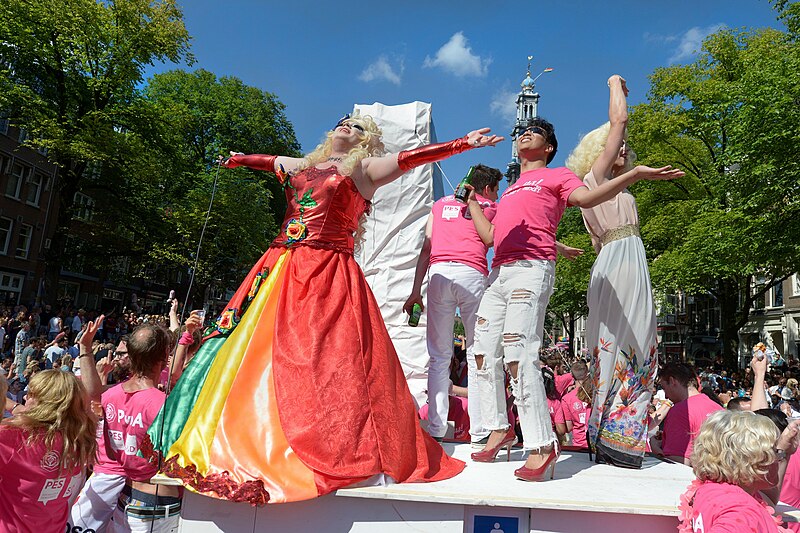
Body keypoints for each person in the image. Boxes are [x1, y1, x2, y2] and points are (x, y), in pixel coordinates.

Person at [145, 113, 502, 504]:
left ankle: (331, 444)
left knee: (327, 356)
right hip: (280, 266)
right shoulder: (306, 166)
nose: (347, 125)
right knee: (255, 351)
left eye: (358, 126)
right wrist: (239, 159)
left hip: (330, 273)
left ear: (366, 141)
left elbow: (410, 159)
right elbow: (268, 161)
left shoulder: (364, 169)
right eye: (344, 121)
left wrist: (463, 143)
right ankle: (246, 434)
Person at [465, 115, 682, 482]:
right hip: (499, 272)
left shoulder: (557, 176)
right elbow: (490, 236)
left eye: (534, 132)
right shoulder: (511, 189)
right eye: (522, 132)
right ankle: (499, 426)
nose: (524, 135)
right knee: (482, 352)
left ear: (548, 148)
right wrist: (472, 203)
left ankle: (540, 443)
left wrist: (634, 174)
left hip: (530, 270)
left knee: (519, 354)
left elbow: (585, 196)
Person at [565, 74, 660, 469]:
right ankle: (611, 433)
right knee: (624, 344)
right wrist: (614, 85)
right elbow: (618, 122)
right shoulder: (594, 181)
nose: (622, 146)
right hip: (619, 261)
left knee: (633, 344)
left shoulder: (617, 190)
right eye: (614, 144)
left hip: (625, 262)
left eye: (623, 146)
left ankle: (617, 434)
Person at [403, 163, 502, 445]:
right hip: (471, 273)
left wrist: (415, 291)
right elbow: (493, 238)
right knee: (477, 353)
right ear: (487, 189)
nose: (496, 196)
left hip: (438, 274)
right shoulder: (489, 207)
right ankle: (480, 431)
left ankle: (435, 427)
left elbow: (427, 246)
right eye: (496, 190)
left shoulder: (439, 205)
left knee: (439, 356)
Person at [69, 316, 194, 532]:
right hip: (155, 506)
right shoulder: (163, 405)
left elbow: (94, 394)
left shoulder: (112, 396)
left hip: (126, 499)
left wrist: (85, 349)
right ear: (164, 357)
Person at [0, 370, 97, 533]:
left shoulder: (13, 437)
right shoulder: (80, 438)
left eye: (30, 394)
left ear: (44, 403)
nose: (25, 398)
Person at [677, 409, 798, 532]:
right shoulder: (742, 513)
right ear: (752, 461)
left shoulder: (711, 490)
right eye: (773, 451)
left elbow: (768, 500)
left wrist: (785, 451)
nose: (778, 457)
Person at [657, 362, 723, 465]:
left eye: (664, 388)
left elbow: (677, 462)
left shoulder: (679, 411)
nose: (665, 396)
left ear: (672, 381)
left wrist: (655, 449)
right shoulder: (718, 407)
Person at [561, 361, 593, 448]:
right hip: (595, 442)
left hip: (579, 444)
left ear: (572, 375)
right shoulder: (595, 394)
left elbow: (569, 427)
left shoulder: (566, 399)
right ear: (587, 373)